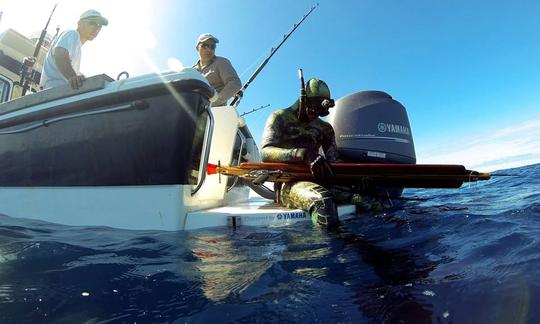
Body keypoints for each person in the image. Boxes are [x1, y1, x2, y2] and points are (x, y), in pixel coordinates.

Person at [261, 78, 384, 228]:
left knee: (371, 200)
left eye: (320, 112)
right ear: (303, 99)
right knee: (322, 201)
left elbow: (334, 160)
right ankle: (327, 251)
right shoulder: (279, 117)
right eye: (313, 110)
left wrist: (356, 179)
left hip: (320, 180)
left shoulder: (325, 128)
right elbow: (265, 152)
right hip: (288, 183)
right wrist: (302, 154)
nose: (315, 116)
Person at [39, 9, 108, 90]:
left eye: (100, 26)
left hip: (57, 90)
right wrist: (73, 77)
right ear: (79, 23)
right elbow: (60, 53)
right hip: (56, 89)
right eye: (93, 23)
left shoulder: (76, 46)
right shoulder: (72, 34)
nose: (97, 28)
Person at [192, 33, 241, 107]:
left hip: (215, 113)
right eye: (205, 45)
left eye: (212, 47)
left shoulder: (221, 62)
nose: (209, 49)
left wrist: (211, 103)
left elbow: (235, 83)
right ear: (197, 48)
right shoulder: (192, 71)